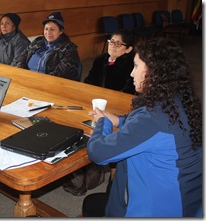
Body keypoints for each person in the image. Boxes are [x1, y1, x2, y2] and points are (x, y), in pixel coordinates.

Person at [83, 37, 202, 217]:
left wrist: (103, 122)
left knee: (91, 204)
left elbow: (98, 153)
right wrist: (118, 120)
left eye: (137, 66)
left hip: (154, 211)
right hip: (189, 204)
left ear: (154, 73)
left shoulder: (152, 119)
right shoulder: (181, 103)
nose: (131, 74)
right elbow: (150, 130)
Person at [13, 11, 80, 80]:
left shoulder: (69, 49)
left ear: (61, 31)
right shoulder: (37, 41)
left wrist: (38, 81)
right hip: (28, 79)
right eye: (46, 29)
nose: (48, 32)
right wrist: (21, 74)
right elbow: (21, 58)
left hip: (50, 85)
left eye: (52, 29)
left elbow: (62, 74)